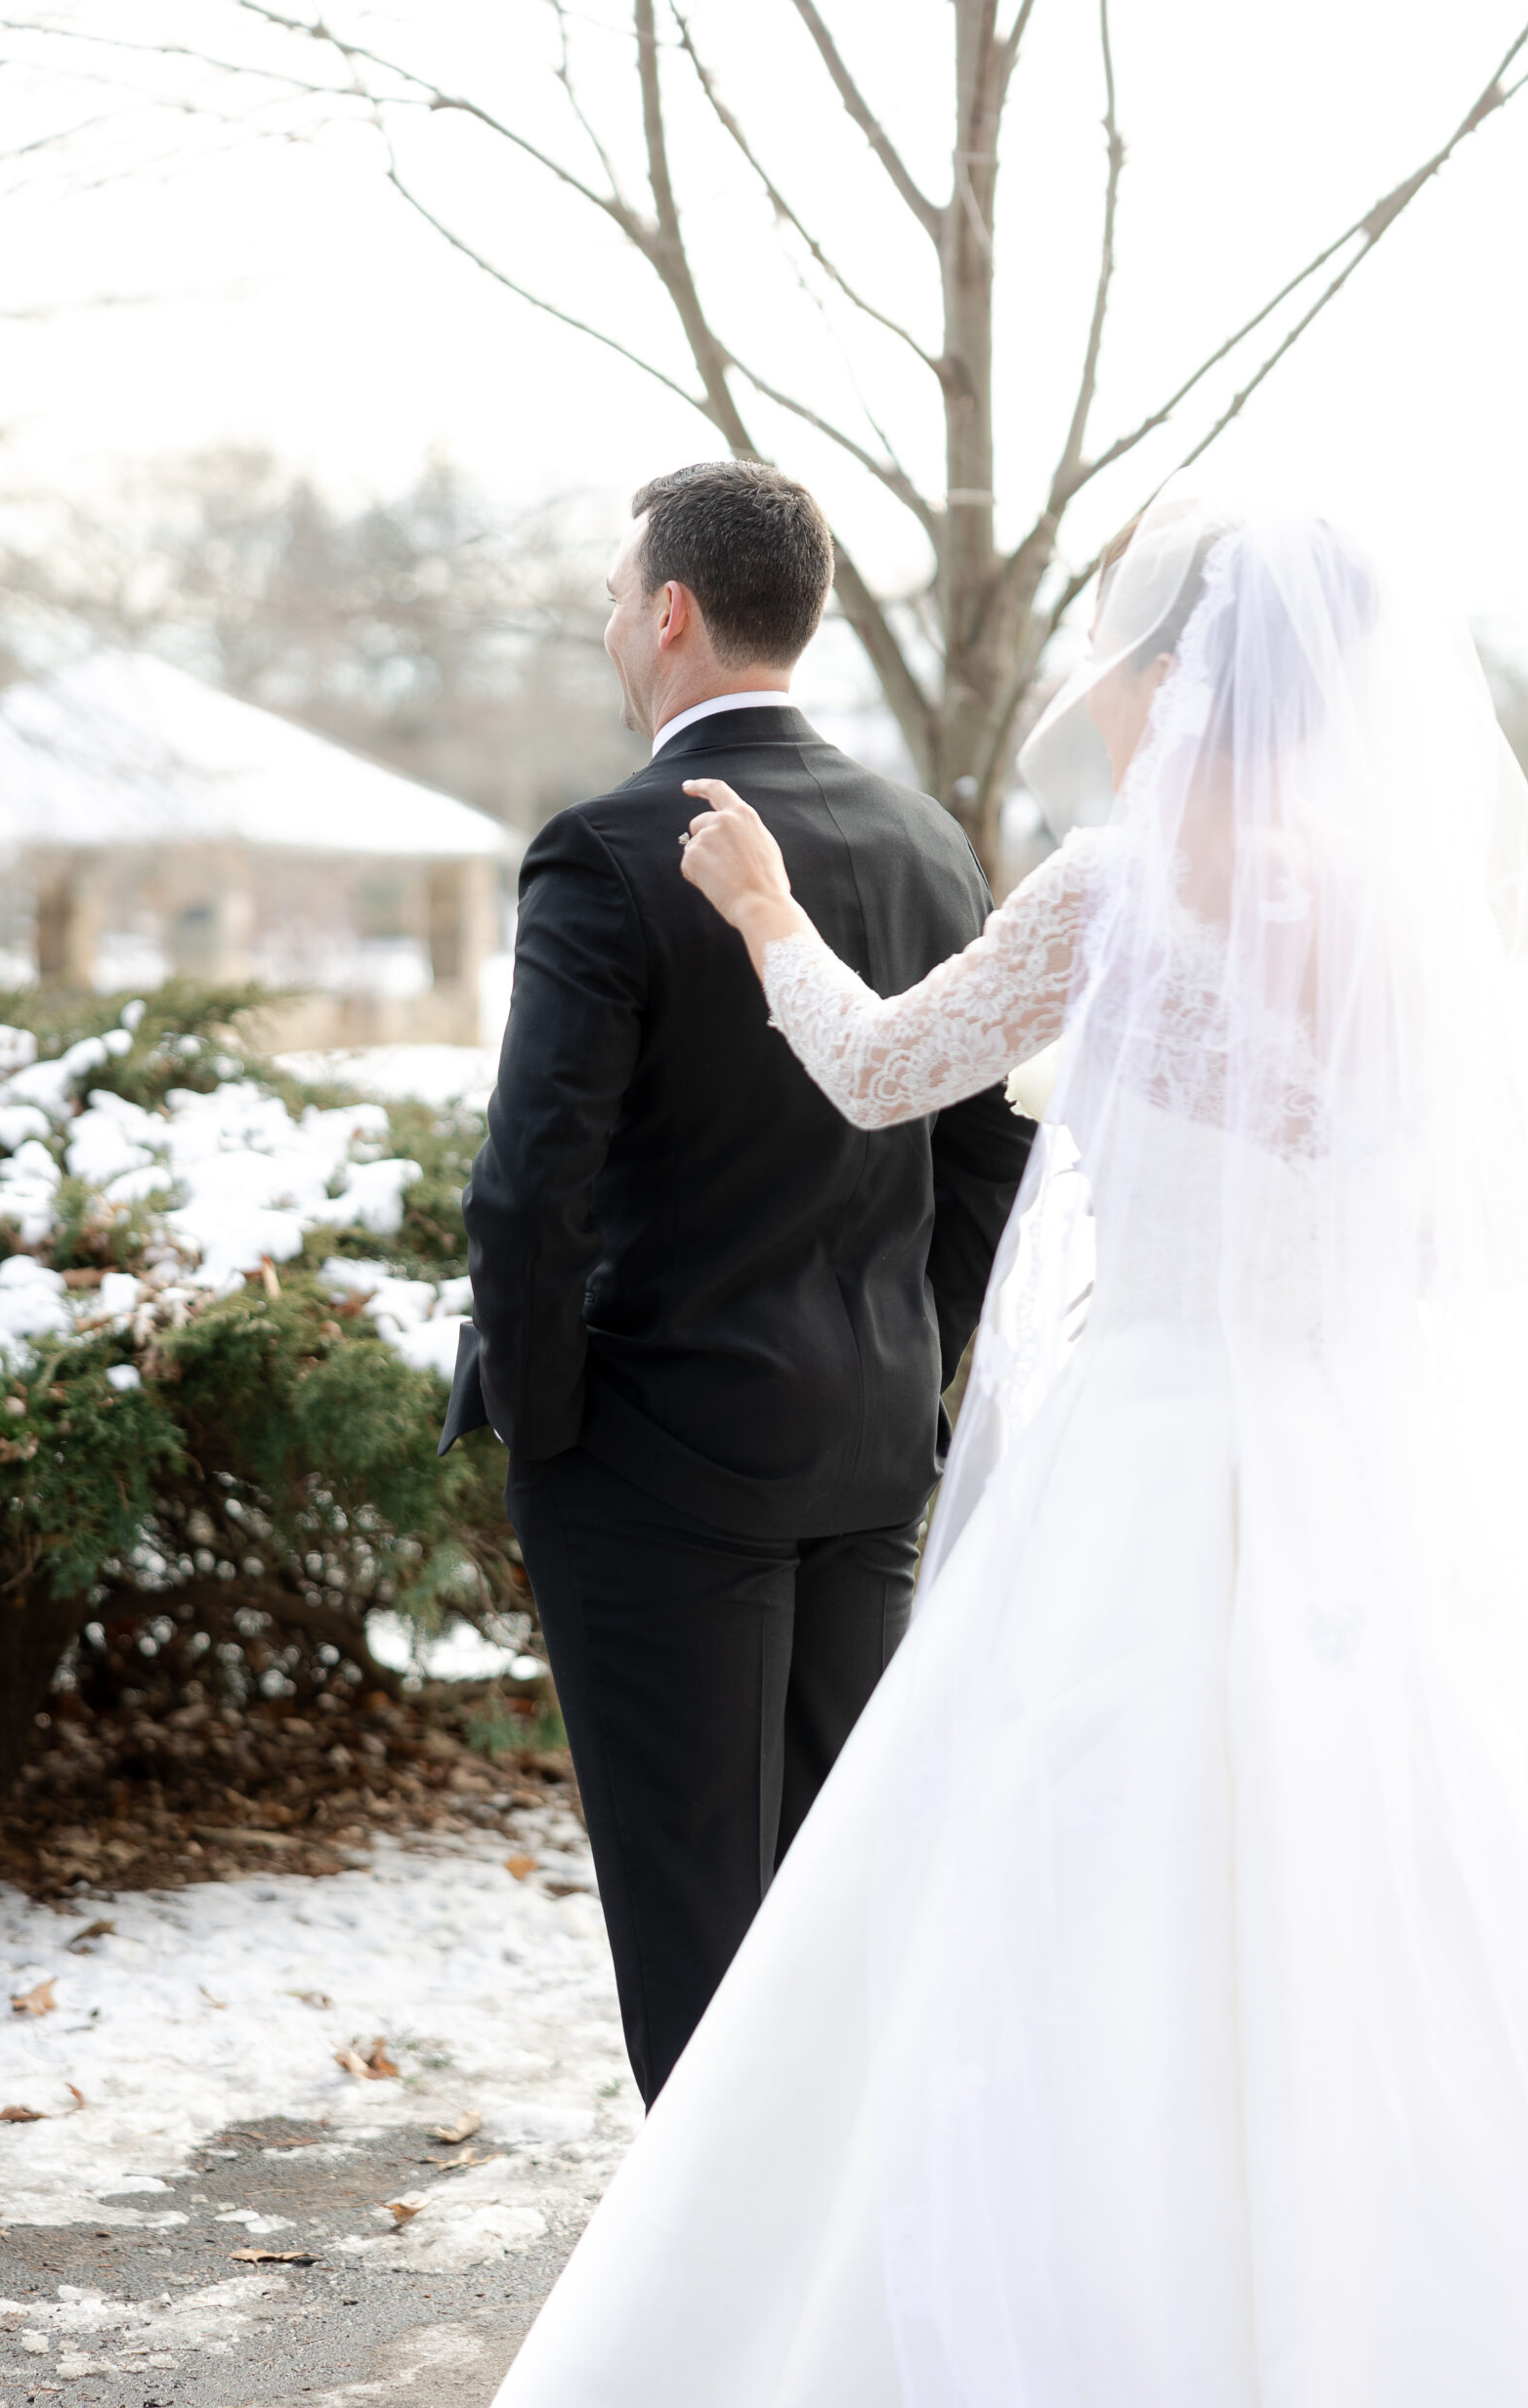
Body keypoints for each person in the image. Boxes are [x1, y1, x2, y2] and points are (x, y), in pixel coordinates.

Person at [442, 488, 1528, 2408]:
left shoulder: (1119, 888)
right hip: (1356, 1489)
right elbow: (1454, 1239)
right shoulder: (1422, 922)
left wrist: (762, 912)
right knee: (1361, 1923)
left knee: (1043, 1938)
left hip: (1137, 1478)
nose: (1113, 689)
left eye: (1136, 657)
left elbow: (884, 1072)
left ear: (1185, 679)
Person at [440, 459, 1030, 2107]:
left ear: (673, 614)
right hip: (864, 1454)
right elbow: (986, 1155)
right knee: (856, 1915)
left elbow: (529, 1187)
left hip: (657, 1468)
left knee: (698, 1936)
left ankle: (722, 2338)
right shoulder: (927, 844)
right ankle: (857, 2299)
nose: (609, 624)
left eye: (617, 598)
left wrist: (551, 1433)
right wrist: (911, 1359)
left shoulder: (606, 852)